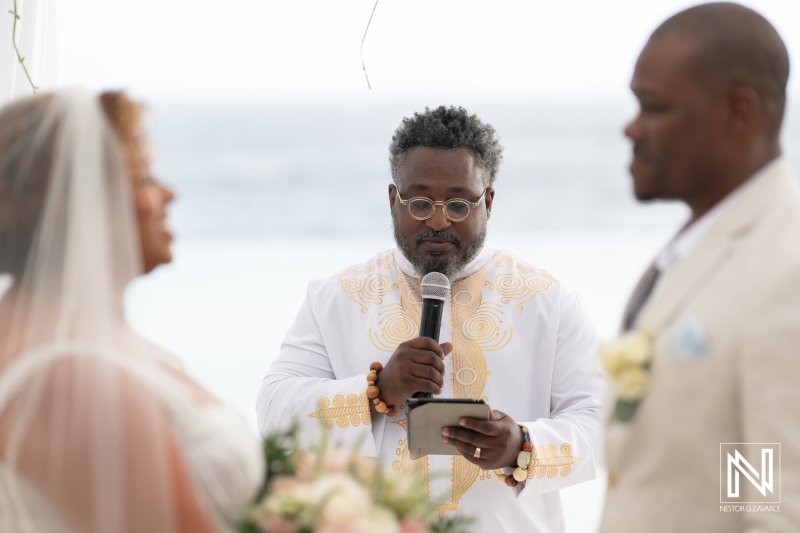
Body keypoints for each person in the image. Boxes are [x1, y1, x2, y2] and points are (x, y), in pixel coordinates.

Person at [257, 105, 604, 531]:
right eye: (420, 202)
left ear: (488, 202)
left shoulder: (550, 303)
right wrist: (377, 390)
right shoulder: (335, 299)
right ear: (392, 200)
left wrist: (522, 446)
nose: (438, 221)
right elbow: (273, 411)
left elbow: (601, 427)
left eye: (459, 204)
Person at [0, 89, 263, 533]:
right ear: (80, 205)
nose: (168, 193)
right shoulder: (70, 378)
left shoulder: (63, 333)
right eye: (143, 175)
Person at [601, 3, 800, 531]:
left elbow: (770, 505)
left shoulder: (786, 270)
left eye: (655, 108)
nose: (632, 128)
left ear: (738, 113)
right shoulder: (702, 245)